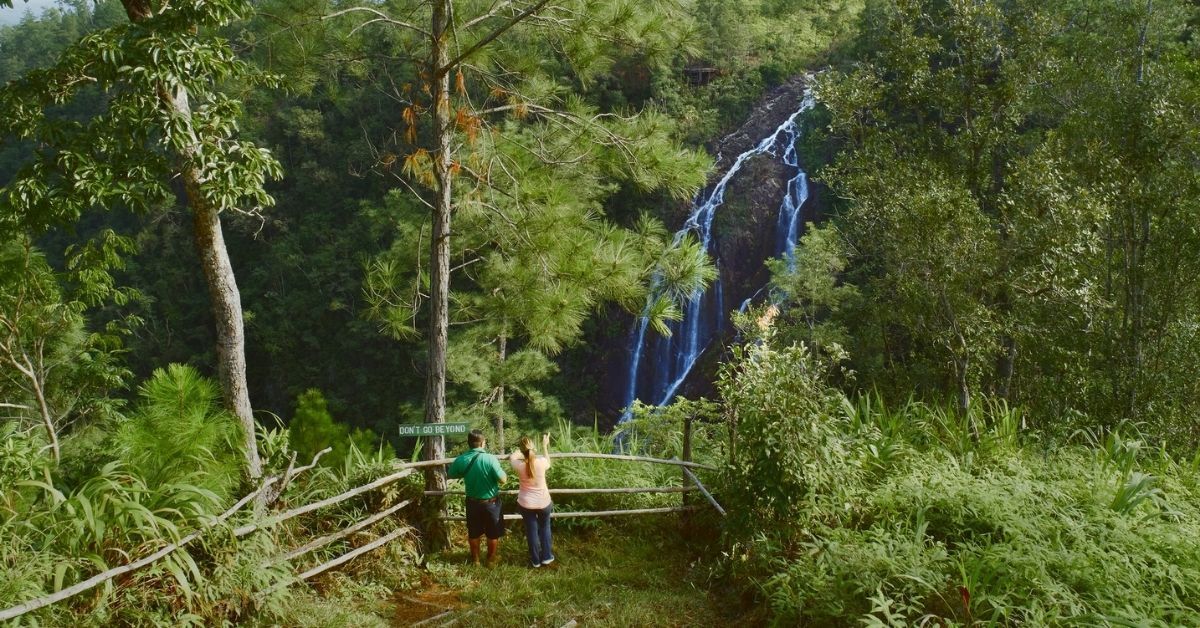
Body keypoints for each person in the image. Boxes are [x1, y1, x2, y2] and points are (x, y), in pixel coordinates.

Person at [447, 429, 507, 566]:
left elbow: (451, 474)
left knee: (473, 533)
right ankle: (491, 560)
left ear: (469, 443)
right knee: (493, 533)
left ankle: (476, 560)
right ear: (483, 443)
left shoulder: (461, 459)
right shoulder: (490, 459)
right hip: (491, 503)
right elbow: (503, 480)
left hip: (472, 502)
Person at [509, 433, 554, 568]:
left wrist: (517, 453)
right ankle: (546, 557)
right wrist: (545, 445)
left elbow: (512, 457)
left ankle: (535, 560)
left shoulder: (518, 464)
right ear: (533, 448)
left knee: (531, 530)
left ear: (522, 450)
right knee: (545, 527)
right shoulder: (541, 462)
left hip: (526, 503)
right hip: (544, 502)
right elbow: (548, 462)